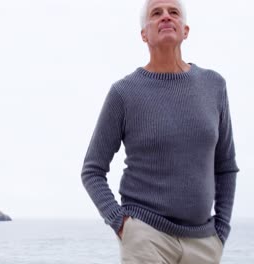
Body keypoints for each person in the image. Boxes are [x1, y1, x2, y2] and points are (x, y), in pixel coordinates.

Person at [80, 0, 239, 263]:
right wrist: (123, 226)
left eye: (173, 12)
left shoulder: (214, 86)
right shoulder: (124, 93)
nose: (166, 16)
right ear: (144, 34)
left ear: (185, 30)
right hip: (146, 238)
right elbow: (92, 170)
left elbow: (225, 167)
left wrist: (221, 230)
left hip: (204, 243)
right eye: (156, 13)